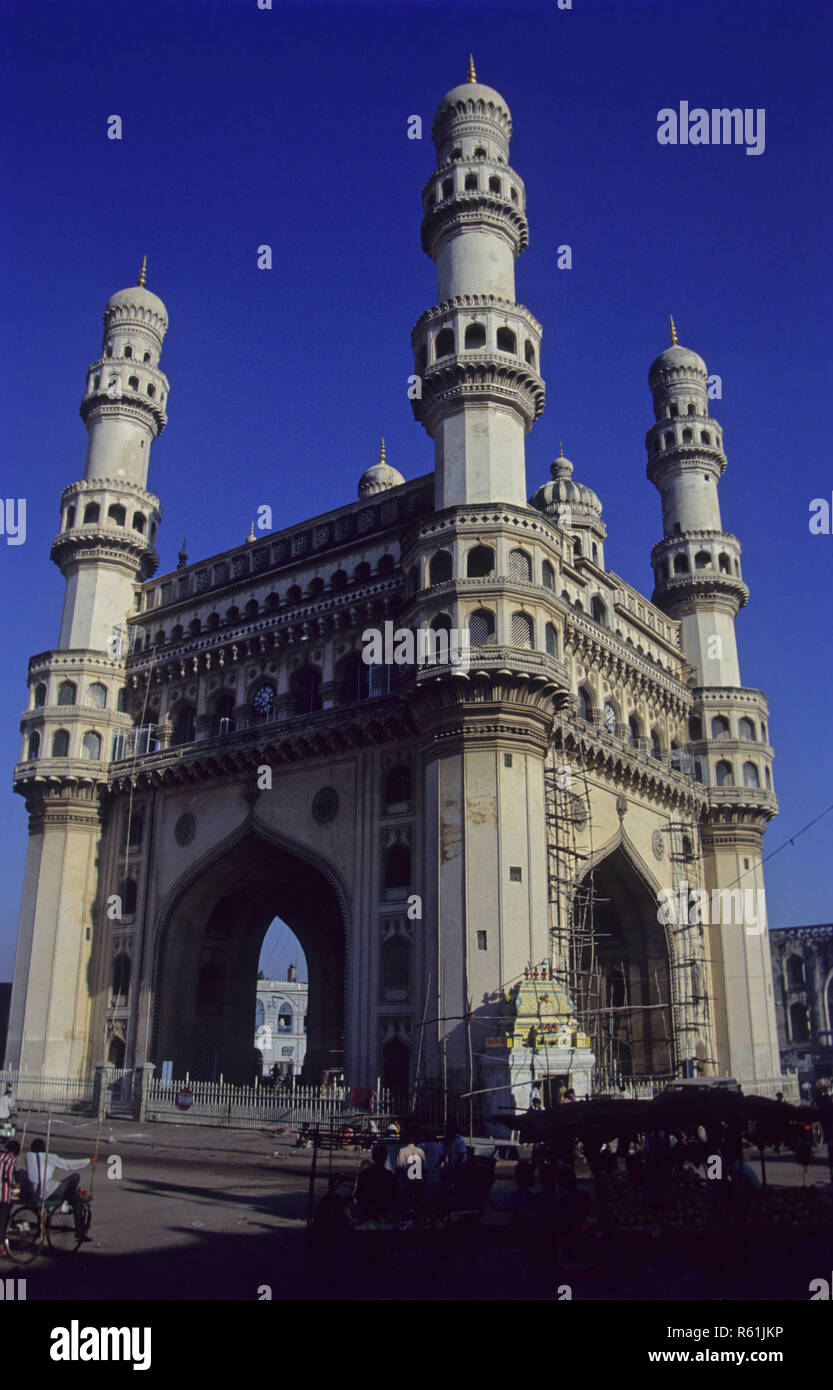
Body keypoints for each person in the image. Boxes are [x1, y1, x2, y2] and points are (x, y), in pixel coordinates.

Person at [26, 1139, 93, 1238]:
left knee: (73, 1196)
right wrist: (88, 1161)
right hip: (49, 1192)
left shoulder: (27, 1156)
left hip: (36, 1193)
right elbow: (67, 1164)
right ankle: (78, 1228)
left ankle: (70, 1200)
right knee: (75, 1177)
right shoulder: (50, 1157)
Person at [355, 1143, 395, 1222]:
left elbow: (359, 1195)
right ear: (386, 1157)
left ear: (373, 1157)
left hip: (368, 1214)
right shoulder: (390, 1176)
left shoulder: (365, 1174)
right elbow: (393, 1198)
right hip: (383, 1215)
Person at [0, 1141, 20, 1257]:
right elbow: (7, 1175)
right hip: (3, 1194)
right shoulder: (10, 1159)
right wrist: (15, 1184)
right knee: (2, 1221)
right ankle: (0, 1246)